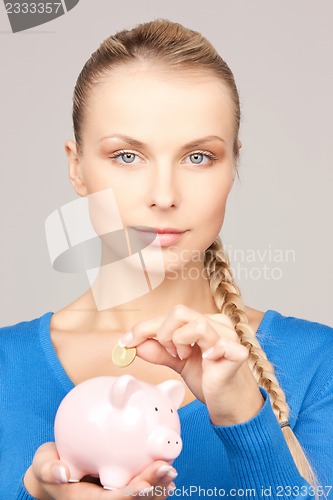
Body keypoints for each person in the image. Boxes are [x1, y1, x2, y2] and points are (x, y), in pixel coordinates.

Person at [1, 18, 333, 500]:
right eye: (127, 156)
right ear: (77, 167)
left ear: (233, 165)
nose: (163, 195)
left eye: (198, 157)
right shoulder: (7, 366)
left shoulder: (318, 364)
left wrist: (244, 413)